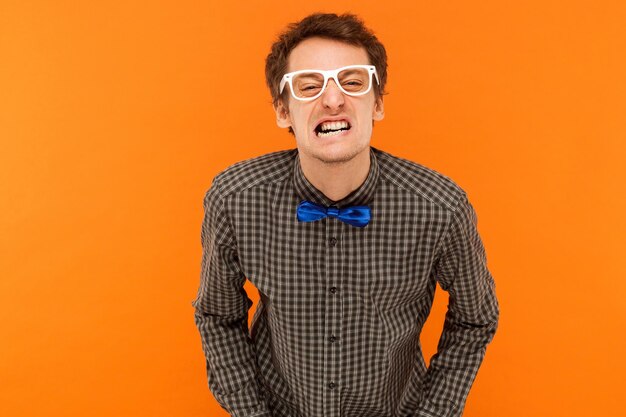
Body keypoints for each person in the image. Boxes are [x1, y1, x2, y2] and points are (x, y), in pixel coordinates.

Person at [192, 12, 499, 417]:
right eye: (309, 85)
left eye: (352, 82)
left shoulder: (441, 208)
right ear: (283, 111)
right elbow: (217, 315)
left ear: (378, 103)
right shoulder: (234, 200)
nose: (333, 99)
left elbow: (476, 320)